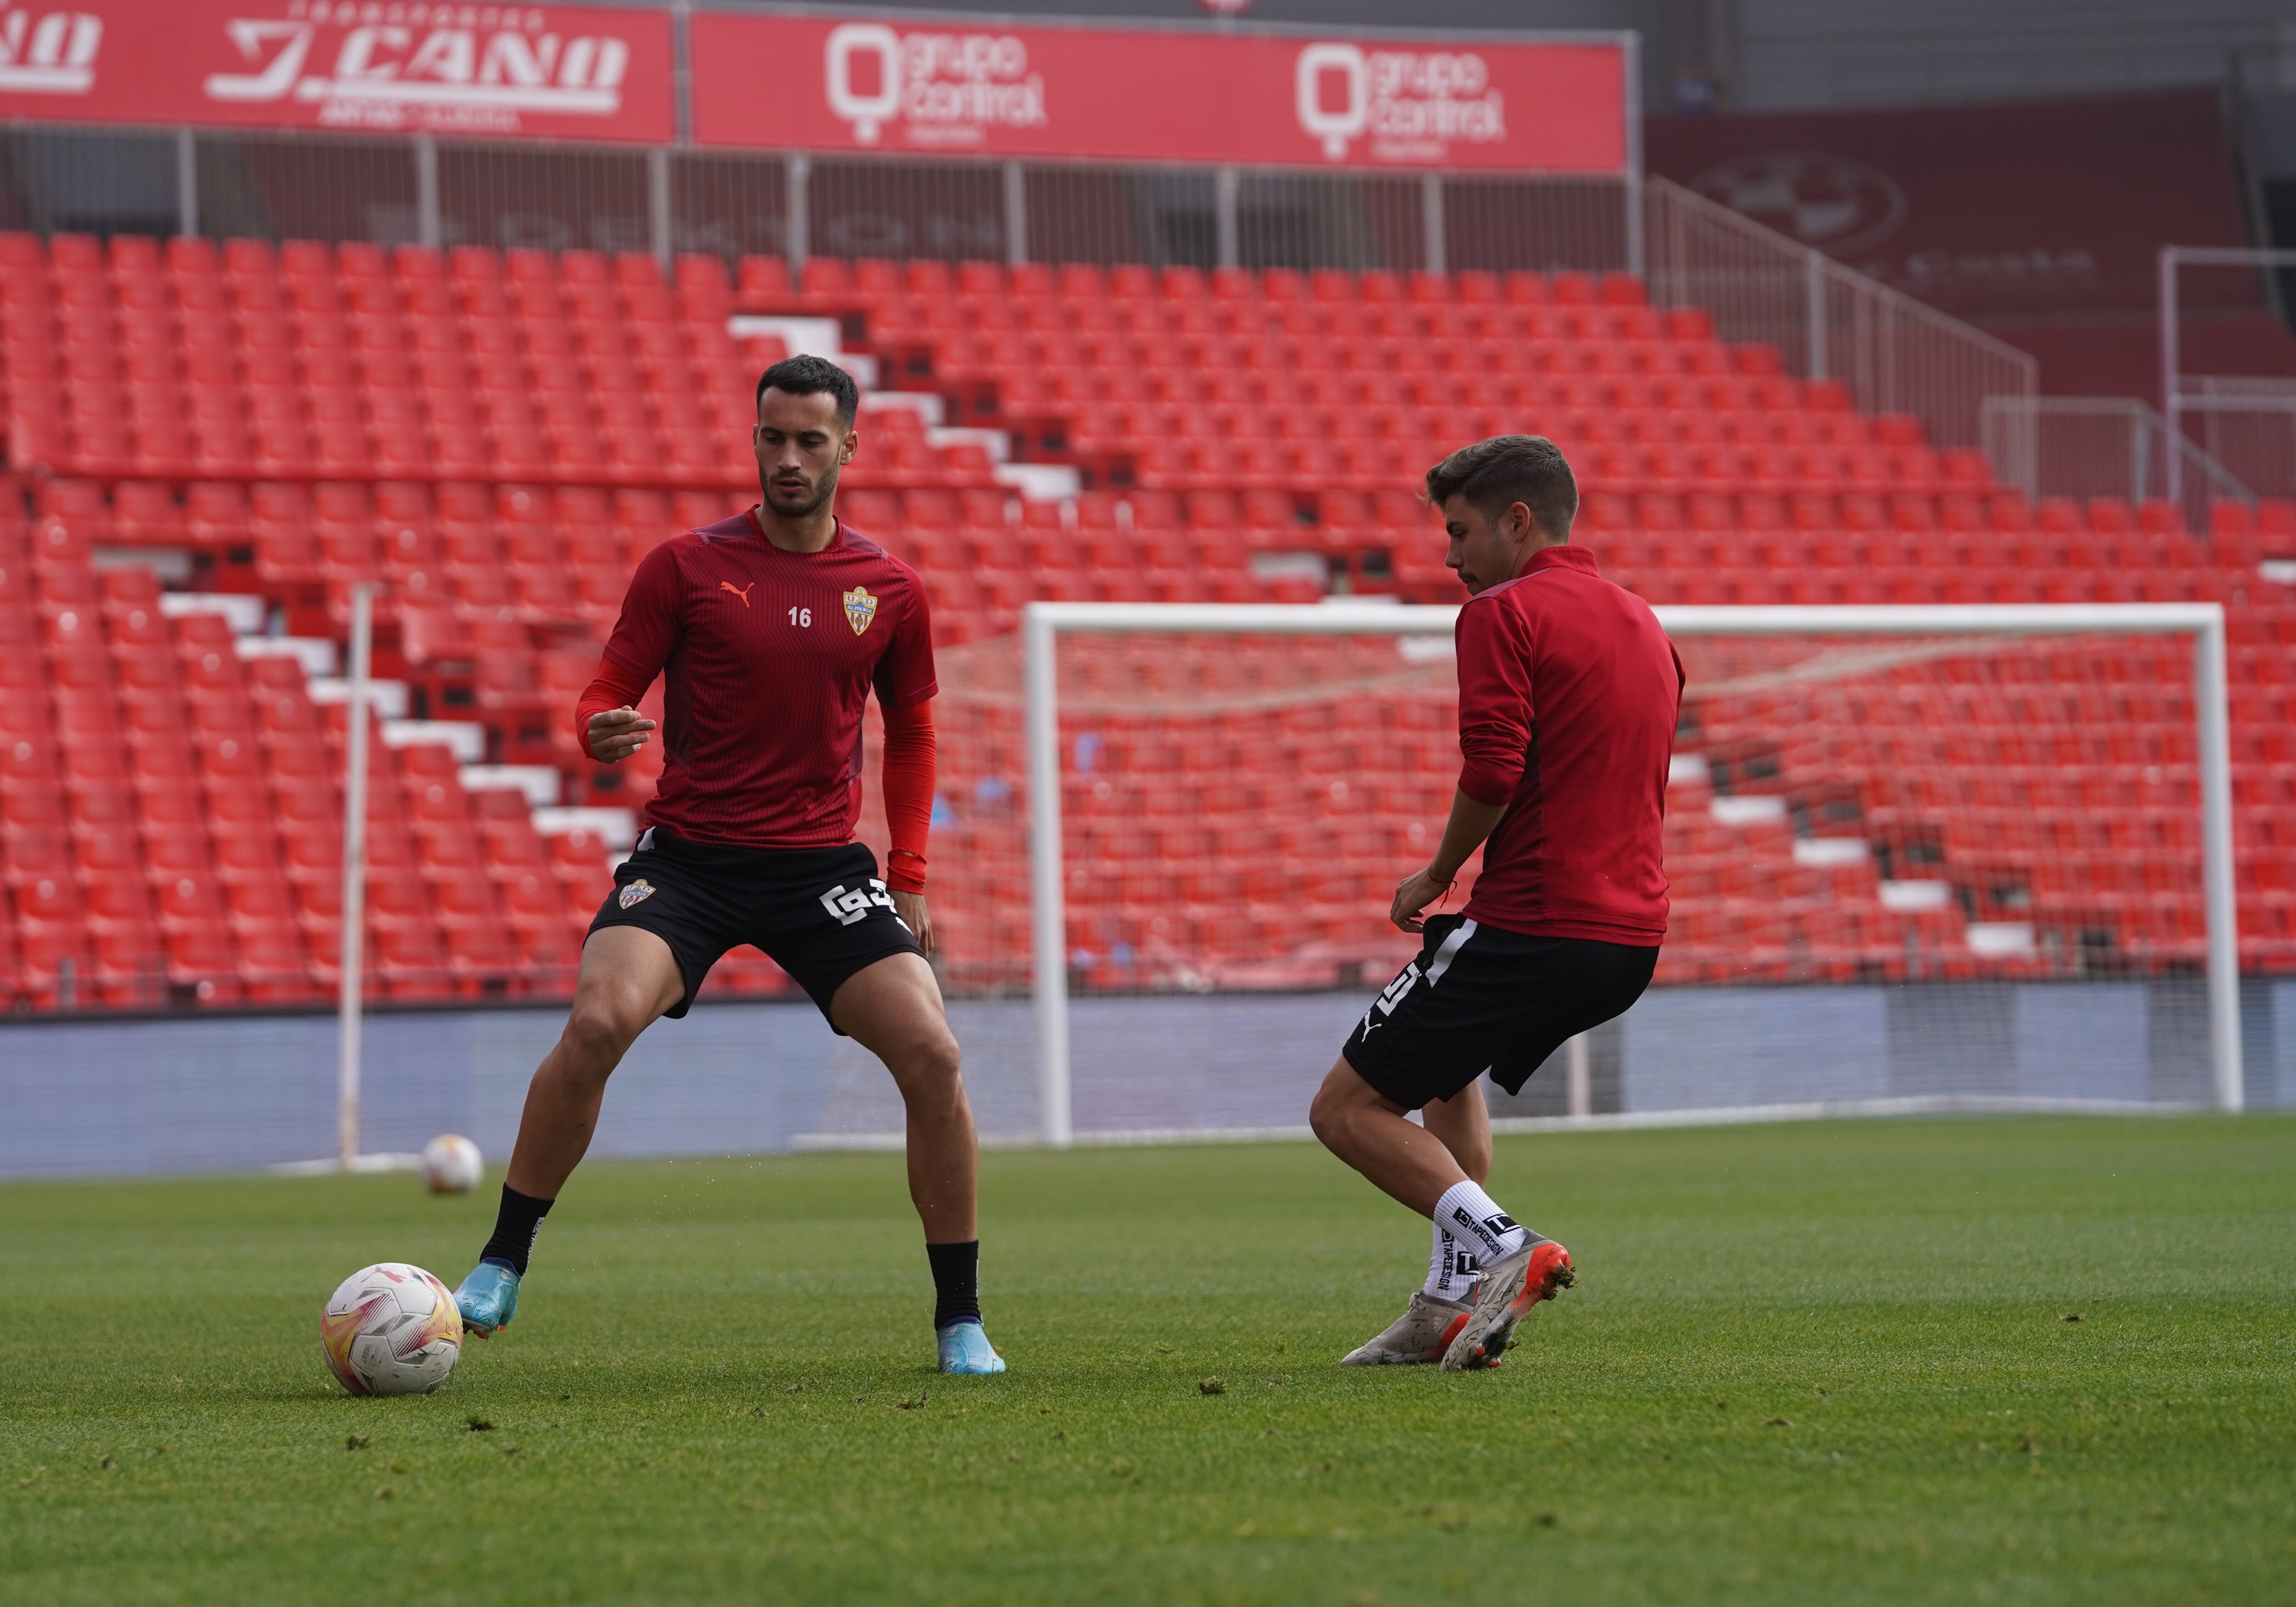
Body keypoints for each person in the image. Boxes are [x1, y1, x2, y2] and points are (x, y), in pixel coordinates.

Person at [453, 354, 1004, 1376]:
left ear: (848, 445)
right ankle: (503, 1257)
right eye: (770, 438)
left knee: (933, 1054)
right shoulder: (685, 567)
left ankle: (960, 1319)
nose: (786, 458)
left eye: (807, 440)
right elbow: (605, 690)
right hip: (693, 862)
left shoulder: (888, 589)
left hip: (821, 872)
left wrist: (912, 871)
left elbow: (914, 733)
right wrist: (599, 730)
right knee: (598, 1019)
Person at [1312, 435, 1682, 1371]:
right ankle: (1443, 1307)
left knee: (1346, 1110)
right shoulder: (1643, 621)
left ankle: (1504, 1247)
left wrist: (1436, 873)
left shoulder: (1500, 613)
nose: (1450, 557)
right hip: (1629, 938)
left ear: (1518, 522)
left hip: (1537, 918)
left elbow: (1493, 766)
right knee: (1444, 1065)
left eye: (1462, 530)